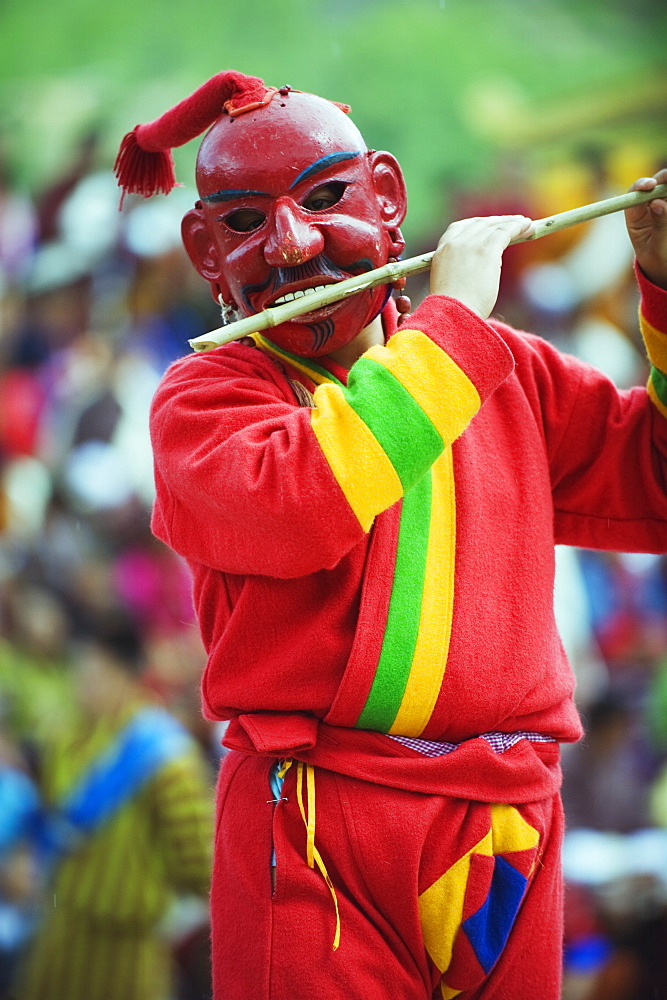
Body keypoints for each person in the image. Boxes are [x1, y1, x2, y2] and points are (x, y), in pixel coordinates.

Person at [114, 70, 667, 999]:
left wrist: (659, 281)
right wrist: (451, 325)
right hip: (319, 827)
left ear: (389, 197)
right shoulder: (202, 400)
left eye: (325, 200)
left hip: (508, 825)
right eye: (246, 223)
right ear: (206, 254)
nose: (291, 246)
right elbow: (299, 507)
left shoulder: (513, 373)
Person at [13, 619, 213, 1000]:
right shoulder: (66, 737)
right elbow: (45, 818)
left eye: (95, 671)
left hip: (130, 945)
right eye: (81, 669)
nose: (82, 682)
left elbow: (196, 858)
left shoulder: (166, 754)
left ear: (124, 675)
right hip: (64, 924)